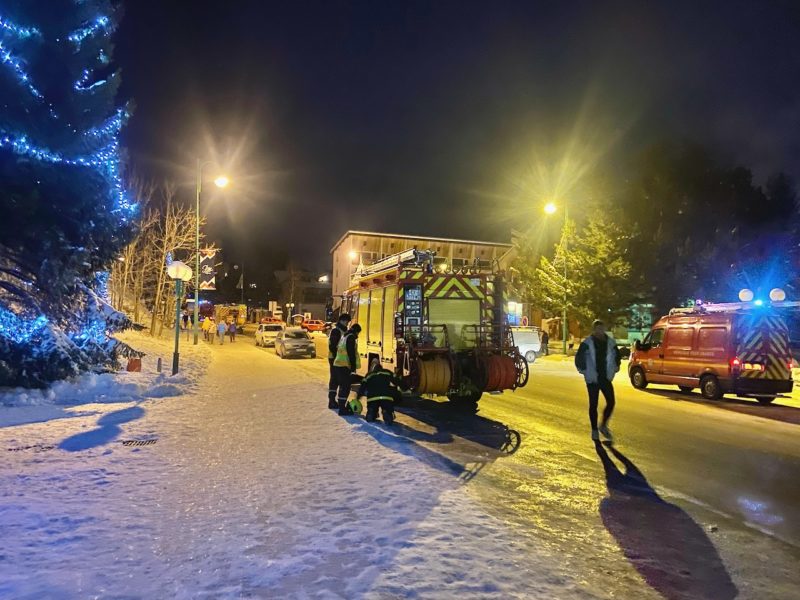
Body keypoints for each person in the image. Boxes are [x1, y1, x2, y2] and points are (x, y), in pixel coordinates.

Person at [575, 319, 621, 441]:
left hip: (605, 378)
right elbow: (579, 357)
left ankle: (603, 425)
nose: (600, 331)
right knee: (593, 405)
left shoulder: (610, 342)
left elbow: (617, 355)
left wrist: (617, 365)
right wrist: (583, 370)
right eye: (598, 329)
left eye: (602, 328)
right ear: (594, 330)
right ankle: (594, 429)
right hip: (592, 379)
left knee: (611, 402)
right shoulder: (588, 343)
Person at [357, 359, 404, 424]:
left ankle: (372, 412)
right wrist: (405, 388)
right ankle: (387, 412)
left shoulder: (368, 375)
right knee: (388, 403)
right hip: (386, 397)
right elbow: (397, 381)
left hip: (372, 398)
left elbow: (362, 387)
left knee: (372, 408)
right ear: (382, 368)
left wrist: (358, 396)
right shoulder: (387, 372)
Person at [332, 323, 362, 415]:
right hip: (344, 366)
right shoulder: (351, 337)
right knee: (345, 387)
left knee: (343, 387)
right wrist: (353, 368)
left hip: (338, 364)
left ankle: (342, 407)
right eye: (358, 333)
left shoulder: (344, 335)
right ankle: (342, 409)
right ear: (356, 331)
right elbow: (351, 353)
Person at [327, 313, 351, 409]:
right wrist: (337, 356)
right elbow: (332, 346)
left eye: (348, 322)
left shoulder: (343, 331)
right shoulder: (336, 331)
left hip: (339, 359)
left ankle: (333, 401)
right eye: (346, 321)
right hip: (334, 358)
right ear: (341, 321)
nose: (347, 323)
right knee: (335, 380)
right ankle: (332, 401)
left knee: (336, 379)